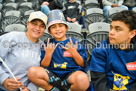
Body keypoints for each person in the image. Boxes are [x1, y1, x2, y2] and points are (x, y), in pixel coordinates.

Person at [27, 9, 90, 91]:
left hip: (71, 75)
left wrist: (74, 53)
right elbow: (43, 66)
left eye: (60, 25)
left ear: (66, 28)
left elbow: (82, 64)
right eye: (53, 27)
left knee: (83, 79)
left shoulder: (74, 43)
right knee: (32, 72)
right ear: (49, 31)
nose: (57, 29)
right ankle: (54, 89)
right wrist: (48, 54)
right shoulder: (47, 44)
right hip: (52, 76)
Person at [0, 11, 48, 91]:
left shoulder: (43, 48)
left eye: (42, 26)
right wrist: (4, 80)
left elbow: (41, 72)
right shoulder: (12, 37)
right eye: (34, 23)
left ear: (44, 29)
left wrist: (30, 88)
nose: (37, 28)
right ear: (27, 24)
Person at [90, 10, 136, 91]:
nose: (111, 32)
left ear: (132, 34)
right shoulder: (100, 50)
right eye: (111, 28)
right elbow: (99, 81)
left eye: (118, 29)